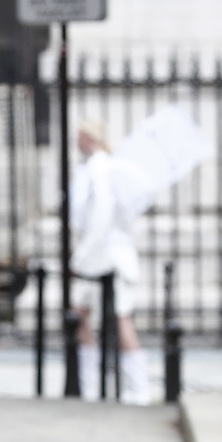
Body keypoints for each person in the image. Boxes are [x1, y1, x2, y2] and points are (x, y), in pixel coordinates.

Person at [71, 120, 149, 404]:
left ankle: (137, 387)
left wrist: (80, 254)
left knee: (119, 317)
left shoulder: (100, 168)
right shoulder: (107, 167)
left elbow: (102, 213)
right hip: (102, 255)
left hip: (104, 257)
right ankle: (90, 384)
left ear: (88, 138)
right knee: (82, 314)